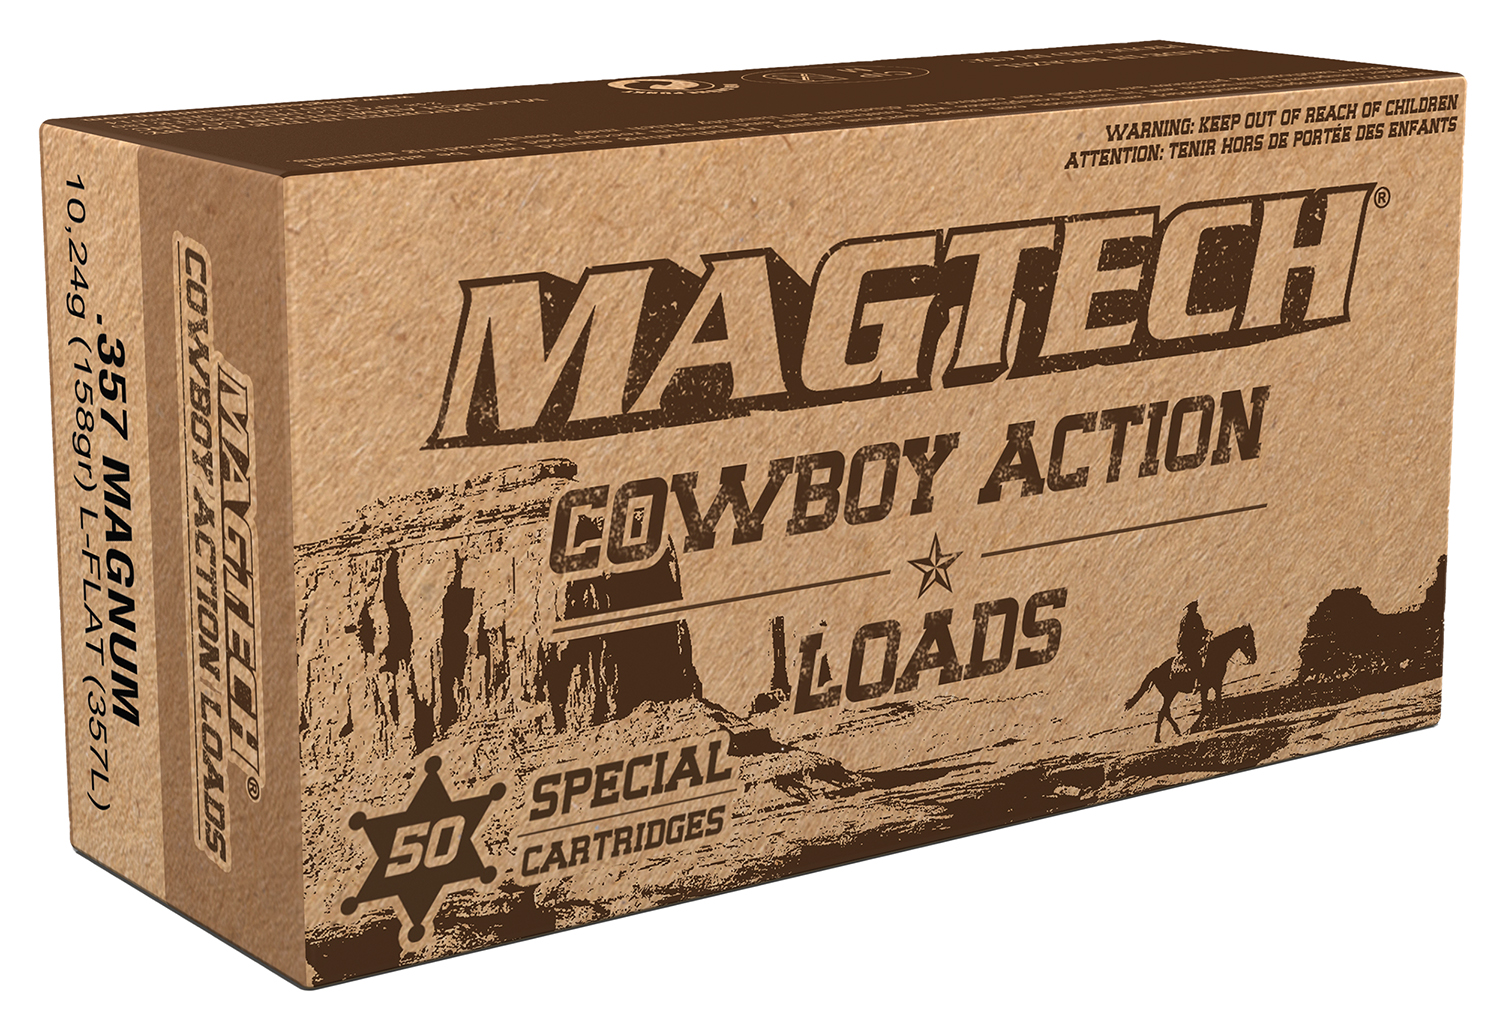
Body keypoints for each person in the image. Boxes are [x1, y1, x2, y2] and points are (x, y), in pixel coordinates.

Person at [1174, 600, 1211, 692]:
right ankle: (1197, 683)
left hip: (1191, 643)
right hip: (1189, 644)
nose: (1196, 609)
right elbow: (1194, 631)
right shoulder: (1191, 618)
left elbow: (1199, 630)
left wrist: (1205, 632)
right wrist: (1205, 633)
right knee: (1197, 660)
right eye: (1194, 607)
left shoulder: (1188, 618)